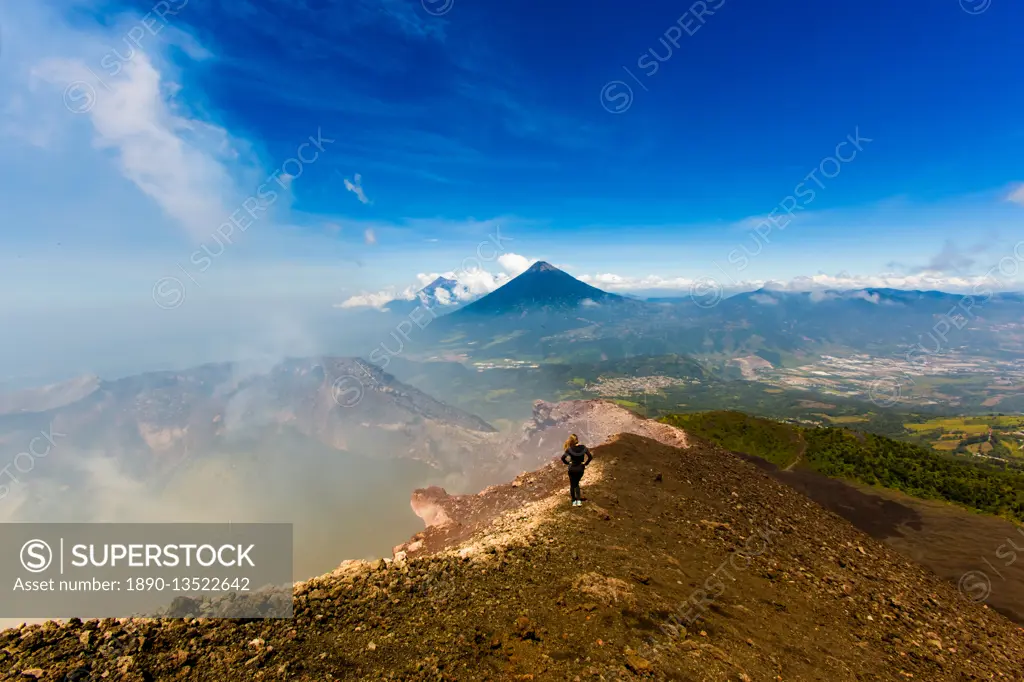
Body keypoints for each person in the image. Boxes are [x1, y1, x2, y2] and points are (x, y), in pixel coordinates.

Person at [560, 433, 593, 507]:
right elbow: (590, 457)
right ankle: (578, 501)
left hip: (572, 468)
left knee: (572, 485)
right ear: (577, 440)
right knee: (577, 484)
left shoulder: (569, 449)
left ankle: (574, 501)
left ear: (571, 441)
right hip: (580, 468)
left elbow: (562, 458)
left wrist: (568, 463)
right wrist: (585, 464)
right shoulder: (583, 447)